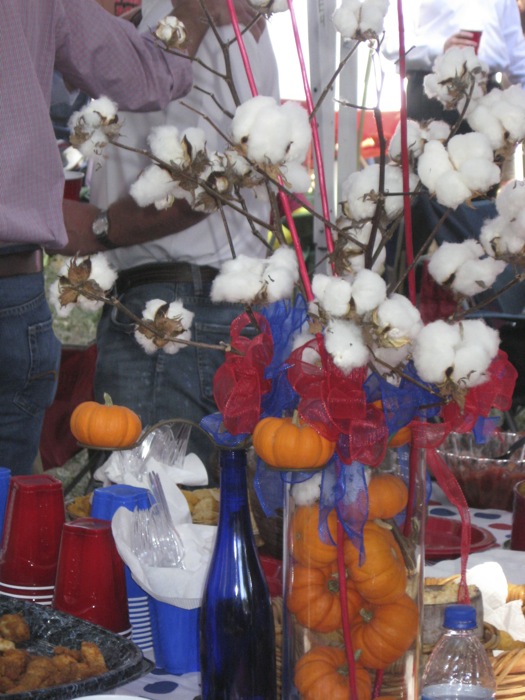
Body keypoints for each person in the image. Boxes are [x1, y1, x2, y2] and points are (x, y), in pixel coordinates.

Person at [0, 0, 225, 476]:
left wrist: (100, 227)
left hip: (172, 298)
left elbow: (213, 179)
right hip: (27, 287)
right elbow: (151, 72)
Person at [61, 0, 280, 480]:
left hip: (175, 316)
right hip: (197, 304)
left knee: (152, 521)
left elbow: (200, 184)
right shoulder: (203, 21)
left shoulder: (185, 24)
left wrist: (99, 228)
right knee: (187, 516)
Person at [383, 0, 525, 125]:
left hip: (489, 93)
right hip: (433, 93)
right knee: (435, 155)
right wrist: (440, 48)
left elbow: (517, 54)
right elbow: (391, 43)